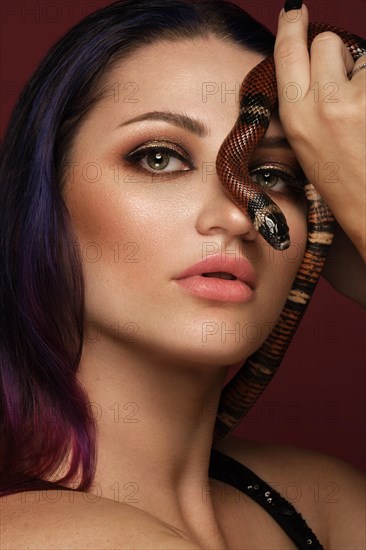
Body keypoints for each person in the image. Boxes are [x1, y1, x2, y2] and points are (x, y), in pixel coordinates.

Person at [0, 0, 365, 548]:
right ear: (46, 202)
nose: (239, 216)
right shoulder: (58, 535)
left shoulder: (324, 498)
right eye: (159, 158)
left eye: (272, 174)